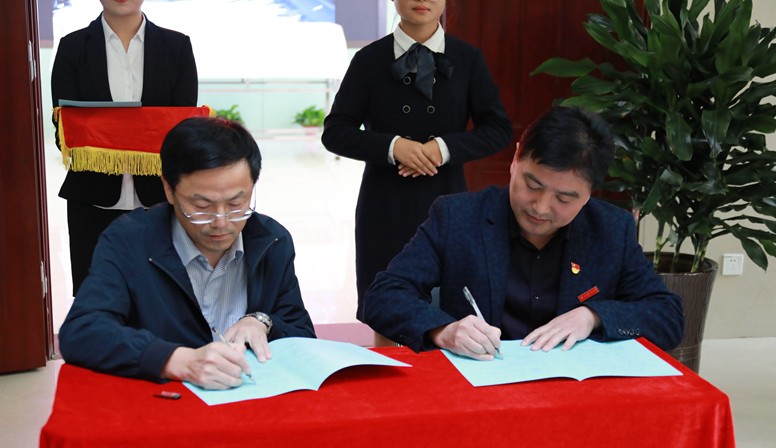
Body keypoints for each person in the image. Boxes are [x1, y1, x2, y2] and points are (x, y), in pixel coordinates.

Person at [363, 106, 685, 359]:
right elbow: (383, 296)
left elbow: (668, 316)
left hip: (570, 396)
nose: (541, 208)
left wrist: (592, 316)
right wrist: (444, 331)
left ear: (588, 194)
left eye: (564, 199)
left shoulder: (611, 230)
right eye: (532, 185)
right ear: (516, 158)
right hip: (479, 390)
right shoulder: (457, 217)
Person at [59, 117, 316, 389]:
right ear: (169, 189)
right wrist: (176, 360)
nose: (221, 222)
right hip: (164, 401)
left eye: (236, 203)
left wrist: (263, 322)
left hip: (249, 397)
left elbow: (302, 333)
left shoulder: (271, 241)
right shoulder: (130, 240)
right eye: (202, 206)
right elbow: (82, 331)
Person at [321, 0, 512, 329]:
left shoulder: (468, 58)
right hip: (385, 204)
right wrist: (394, 147)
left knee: (447, 308)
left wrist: (443, 149)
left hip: (448, 203)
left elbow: (498, 129)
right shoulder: (368, 59)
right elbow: (335, 132)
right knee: (384, 306)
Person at [51, 0, 198, 294]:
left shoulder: (177, 46)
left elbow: (181, 128)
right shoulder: (73, 46)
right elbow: (65, 130)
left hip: (161, 199)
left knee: (162, 295)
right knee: (98, 295)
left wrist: (114, 136)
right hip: (91, 198)